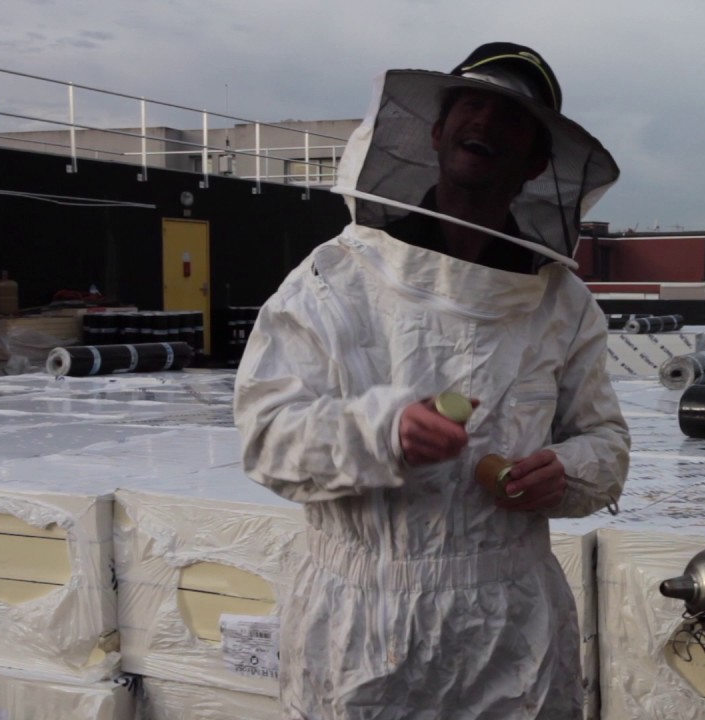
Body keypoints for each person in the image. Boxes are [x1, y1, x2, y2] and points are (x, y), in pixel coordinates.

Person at [234, 42, 629, 719]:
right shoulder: (335, 278)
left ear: (538, 159)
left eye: (513, 116)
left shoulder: (562, 304)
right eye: (471, 104)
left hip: (513, 631)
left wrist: (565, 470)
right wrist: (379, 431)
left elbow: (607, 444)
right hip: (359, 631)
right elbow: (267, 436)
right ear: (438, 131)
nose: (487, 122)